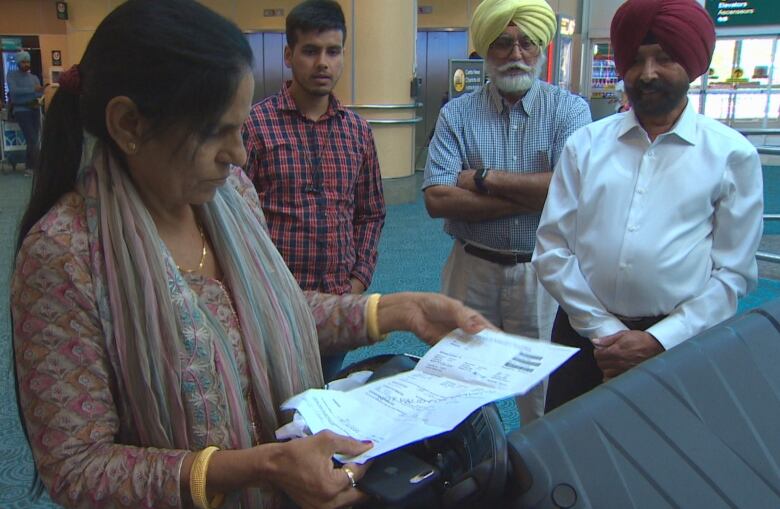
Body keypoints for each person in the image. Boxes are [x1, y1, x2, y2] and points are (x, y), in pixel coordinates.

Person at [11, 1, 492, 508]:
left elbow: (273, 312)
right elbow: (77, 467)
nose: (239, 153)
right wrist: (255, 467)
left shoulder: (229, 196)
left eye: (239, 127)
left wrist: (397, 309)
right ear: (129, 123)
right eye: (216, 132)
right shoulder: (64, 254)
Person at [532, 0, 764, 411]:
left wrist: (658, 340)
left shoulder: (732, 156)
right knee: (567, 456)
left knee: (665, 460)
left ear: (693, 65)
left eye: (664, 58)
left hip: (680, 346)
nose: (648, 73)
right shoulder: (584, 146)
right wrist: (607, 334)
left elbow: (733, 275)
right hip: (582, 336)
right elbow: (551, 250)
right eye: (636, 60)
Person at [422, 0, 591, 424]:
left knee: (542, 394)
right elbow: (436, 199)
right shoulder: (456, 114)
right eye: (502, 43)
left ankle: (543, 483)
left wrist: (480, 177)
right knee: (455, 386)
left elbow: (570, 191)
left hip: (543, 274)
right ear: (484, 50)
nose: (515, 54)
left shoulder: (569, 111)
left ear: (541, 49)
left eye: (527, 43)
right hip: (470, 268)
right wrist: (533, 195)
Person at [242, 0, 385, 380]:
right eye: (310, 51)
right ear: (289, 55)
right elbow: (234, 218)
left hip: (337, 304)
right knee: (278, 405)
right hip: (273, 305)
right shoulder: (256, 125)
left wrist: (358, 281)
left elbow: (371, 213)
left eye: (333, 51)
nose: (323, 62)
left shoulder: (357, 132)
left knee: (326, 396)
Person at [6, 50, 44, 176]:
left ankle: (30, 167)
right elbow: (14, 92)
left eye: (27, 61)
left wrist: (38, 93)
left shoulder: (34, 78)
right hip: (21, 111)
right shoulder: (11, 75)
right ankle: (36, 167)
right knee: (32, 139)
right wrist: (32, 90)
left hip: (34, 109)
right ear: (18, 63)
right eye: (23, 62)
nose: (26, 64)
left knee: (33, 140)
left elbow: (39, 94)